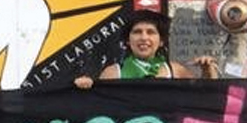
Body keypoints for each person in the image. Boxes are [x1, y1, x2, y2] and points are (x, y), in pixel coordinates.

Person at [73, 9, 217, 87]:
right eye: (137, 32)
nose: (143, 37)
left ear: (161, 41)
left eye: (151, 32)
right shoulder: (113, 73)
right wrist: (85, 89)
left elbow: (204, 98)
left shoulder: (175, 70)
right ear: (128, 41)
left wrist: (207, 71)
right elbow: (99, 109)